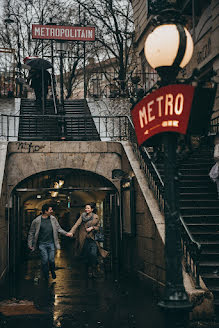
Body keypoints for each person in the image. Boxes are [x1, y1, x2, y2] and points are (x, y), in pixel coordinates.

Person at [28, 204, 72, 280]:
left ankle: (52, 270)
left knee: (51, 260)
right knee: (44, 260)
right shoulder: (37, 221)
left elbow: (58, 228)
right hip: (42, 244)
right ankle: (46, 275)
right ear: (45, 211)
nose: (52, 211)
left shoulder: (53, 219)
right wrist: (30, 244)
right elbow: (31, 232)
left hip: (51, 243)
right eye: (50, 210)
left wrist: (66, 233)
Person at [68, 203, 108, 278]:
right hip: (83, 238)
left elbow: (99, 227)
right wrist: (71, 232)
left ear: (92, 209)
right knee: (86, 255)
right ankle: (88, 270)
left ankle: (93, 269)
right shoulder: (82, 216)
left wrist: (92, 228)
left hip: (92, 239)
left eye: (88, 208)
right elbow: (76, 224)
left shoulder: (96, 217)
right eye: (86, 208)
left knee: (93, 254)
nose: (86, 209)